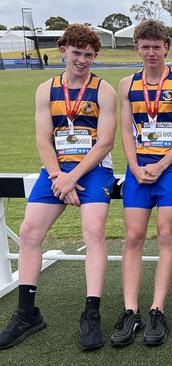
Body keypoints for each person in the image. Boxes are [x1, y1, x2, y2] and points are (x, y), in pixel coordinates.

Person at [0, 24, 116, 351]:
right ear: (64, 50)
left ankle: (91, 314)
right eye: (77, 53)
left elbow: (105, 142)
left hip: (92, 170)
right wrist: (57, 176)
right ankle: (26, 313)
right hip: (56, 170)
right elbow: (42, 138)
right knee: (29, 231)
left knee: (93, 231)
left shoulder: (103, 90)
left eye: (89, 55)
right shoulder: (46, 89)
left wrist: (72, 177)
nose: (82, 60)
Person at [110, 19, 172, 347]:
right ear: (137, 48)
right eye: (145, 47)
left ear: (166, 48)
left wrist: (161, 164)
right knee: (132, 236)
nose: (150, 53)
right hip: (138, 168)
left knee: (165, 233)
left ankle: (157, 309)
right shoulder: (126, 85)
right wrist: (134, 165)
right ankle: (130, 310)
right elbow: (126, 131)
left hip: (171, 168)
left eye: (156, 47)